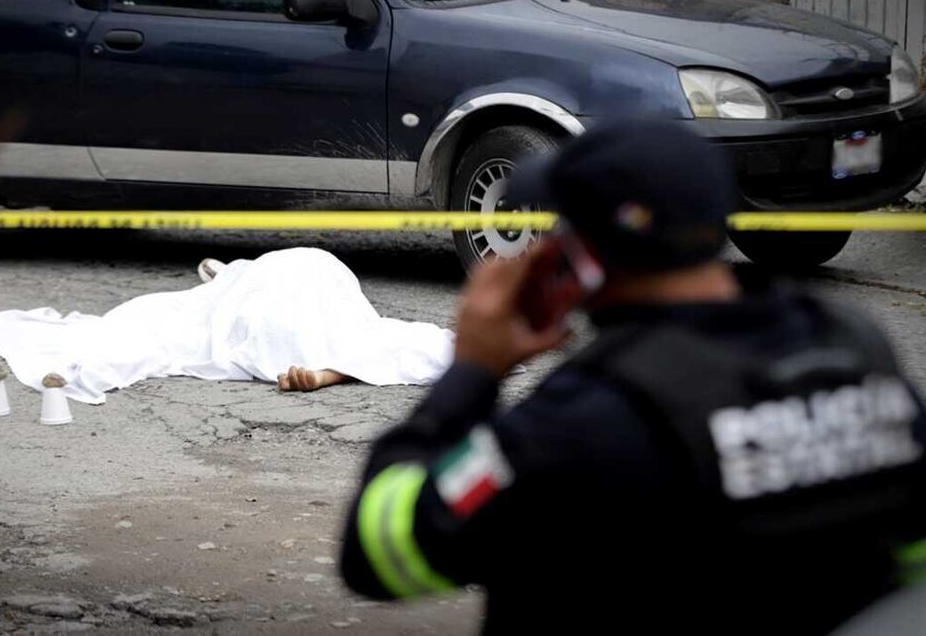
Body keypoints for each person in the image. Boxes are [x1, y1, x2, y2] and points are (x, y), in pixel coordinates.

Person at [338, 119, 926, 635]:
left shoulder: (590, 415)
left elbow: (381, 552)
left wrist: (471, 371)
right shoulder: (852, 345)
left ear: (581, 255)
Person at [0, 247, 454, 404]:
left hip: (277, 283)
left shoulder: (262, 278)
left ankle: (327, 365)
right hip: (302, 282)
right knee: (363, 334)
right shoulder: (272, 277)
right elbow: (434, 347)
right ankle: (330, 365)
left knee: (182, 321)